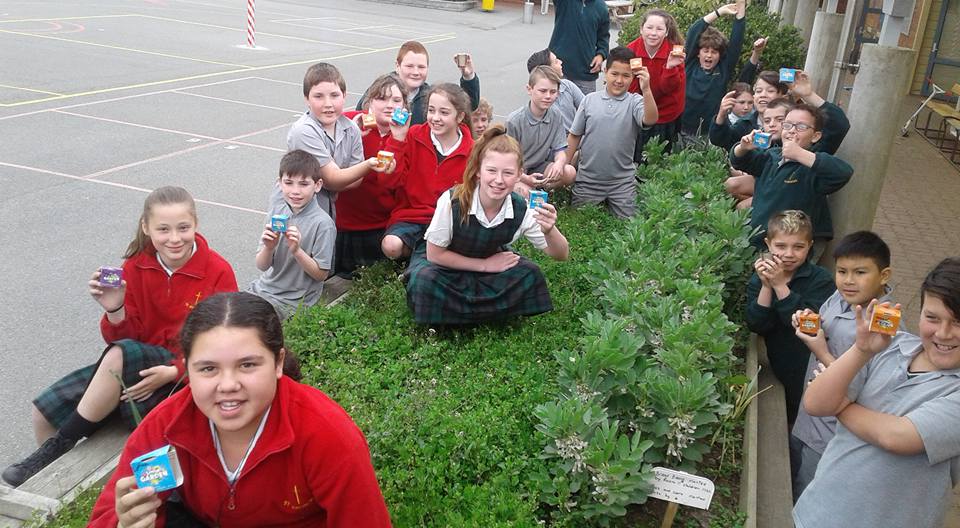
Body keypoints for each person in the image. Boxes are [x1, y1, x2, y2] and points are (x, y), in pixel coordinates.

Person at [87, 292, 392, 527]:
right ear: (187, 371)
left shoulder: (326, 434)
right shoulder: (167, 426)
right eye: (208, 368)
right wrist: (124, 521)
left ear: (278, 363)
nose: (228, 384)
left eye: (247, 365)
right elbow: (105, 516)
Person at [2, 187, 238, 487]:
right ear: (146, 227)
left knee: (120, 354)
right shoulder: (135, 266)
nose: (174, 238)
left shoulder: (216, 270)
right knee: (43, 411)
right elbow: (126, 336)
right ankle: (56, 481)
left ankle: (62, 444)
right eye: (163, 229)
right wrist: (115, 308)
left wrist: (176, 370)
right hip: (135, 359)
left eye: (183, 228)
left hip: (186, 370)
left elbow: (224, 340)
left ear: (196, 225)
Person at [794, 257, 960, 528]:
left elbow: (895, 436)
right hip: (819, 513)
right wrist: (862, 350)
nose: (943, 333)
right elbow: (816, 403)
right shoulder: (890, 347)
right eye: (932, 317)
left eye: (957, 322)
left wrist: (843, 406)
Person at [405, 126, 569, 325]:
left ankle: (459, 313)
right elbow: (435, 255)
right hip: (445, 264)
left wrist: (550, 231)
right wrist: (485, 266)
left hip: (491, 258)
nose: (498, 180)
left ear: (519, 175)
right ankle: (491, 312)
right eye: (491, 171)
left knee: (530, 273)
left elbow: (561, 255)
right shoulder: (451, 201)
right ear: (478, 172)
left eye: (508, 173)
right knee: (424, 281)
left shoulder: (521, 208)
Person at [789, 231, 894, 500]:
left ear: (884, 275)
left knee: (808, 497)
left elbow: (855, 394)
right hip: (806, 420)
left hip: (831, 437)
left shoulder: (883, 327)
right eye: (842, 271)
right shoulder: (840, 297)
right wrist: (810, 322)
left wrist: (821, 350)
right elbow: (825, 327)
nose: (848, 281)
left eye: (860, 272)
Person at [731, 103, 854, 260]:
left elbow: (843, 172)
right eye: (787, 125)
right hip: (762, 239)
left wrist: (799, 154)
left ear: (815, 136)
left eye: (801, 126)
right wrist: (742, 147)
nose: (792, 130)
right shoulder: (772, 156)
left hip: (791, 247)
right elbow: (740, 161)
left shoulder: (812, 165)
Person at [745, 210, 834, 426]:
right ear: (768, 244)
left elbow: (808, 325)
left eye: (798, 247)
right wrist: (767, 286)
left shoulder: (820, 279)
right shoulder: (759, 280)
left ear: (810, 245)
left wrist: (779, 285)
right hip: (781, 362)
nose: (789, 254)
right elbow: (757, 324)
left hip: (809, 363)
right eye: (781, 246)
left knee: (811, 416)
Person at [379, 83, 475, 260]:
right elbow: (388, 183)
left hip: (449, 220)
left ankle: (426, 258)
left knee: (461, 245)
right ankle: (418, 255)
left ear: (460, 116)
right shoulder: (414, 135)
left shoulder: (472, 150)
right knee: (391, 246)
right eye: (431, 110)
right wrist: (398, 139)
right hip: (413, 217)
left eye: (444, 112)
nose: (435, 118)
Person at [566, 46, 659, 219]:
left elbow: (651, 119)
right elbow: (574, 135)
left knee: (629, 226)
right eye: (614, 74)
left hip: (622, 183)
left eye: (626, 75)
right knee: (578, 221)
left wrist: (646, 89)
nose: (619, 80)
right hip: (588, 180)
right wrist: (566, 164)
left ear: (633, 77)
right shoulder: (589, 100)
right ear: (605, 71)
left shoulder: (635, 101)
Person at [285, 62, 385, 221]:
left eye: (334, 95)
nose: (328, 104)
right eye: (318, 96)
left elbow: (355, 181)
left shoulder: (351, 128)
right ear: (306, 99)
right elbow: (332, 179)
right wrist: (368, 165)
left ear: (344, 95)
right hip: (297, 214)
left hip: (327, 212)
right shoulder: (304, 131)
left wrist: (339, 179)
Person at [336, 75, 409, 277]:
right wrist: (350, 130)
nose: (389, 105)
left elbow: (390, 183)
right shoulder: (351, 120)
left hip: (379, 229)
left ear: (404, 106)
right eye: (382, 98)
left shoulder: (407, 136)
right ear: (369, 101)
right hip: (343, 226)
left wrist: (398, 139)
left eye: (396, 100)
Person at [249, 150, 336, 319]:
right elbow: (262, 266)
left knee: (250, 324)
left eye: (303, 184)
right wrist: (268, 248)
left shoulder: (323, 224)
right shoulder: (277, 211)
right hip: (263, 289)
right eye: (288, 183)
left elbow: (321, 275)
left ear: (317, 185)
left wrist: (297, 251)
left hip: (294, 301)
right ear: (279, 183)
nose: (295, 191)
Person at [355, 41, 480, 125]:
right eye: (409, 66)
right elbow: (360, 114)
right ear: (397, 66)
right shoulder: (380, 90)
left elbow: (468, 105)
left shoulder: (429, 96)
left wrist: (468, 76)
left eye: (421, 67)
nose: (416, 72)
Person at [680, 0, 747, 138]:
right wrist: (719, 12)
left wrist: (741, 10)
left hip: (709, 133)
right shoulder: (689, 65)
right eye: (706, 50)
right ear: (698, 52)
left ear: (720, 55)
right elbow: (694, 31)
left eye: (714, 52)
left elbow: (736, 41)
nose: (709, 55)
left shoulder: (723, 69)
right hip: (682, 130)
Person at [507, 66, 576, 197]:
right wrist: (524, 178)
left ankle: (540, 189)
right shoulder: (514, 121)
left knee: (569, 172)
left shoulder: (556, 115)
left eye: (553, 92)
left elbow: (560, 150)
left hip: (540, 166)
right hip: (516, 171)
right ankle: (529, 191)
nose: (548, 96)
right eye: (543, 91)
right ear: (529, 89)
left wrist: (559, 164)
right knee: (524, 192)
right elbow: (507, 161)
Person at [625, 8, 686, 156]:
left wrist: (670, 67)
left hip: (667, 111)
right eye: (649, 27)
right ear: (641, 29)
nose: (653, 33)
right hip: (640, 109)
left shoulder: (675, 52)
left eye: (659, 29)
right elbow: (630, 88)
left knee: (663, 155)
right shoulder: (631, 51)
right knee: (637, 153)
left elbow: (670, 89)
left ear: (666, 32)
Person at [710, 69, 788, 151]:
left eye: (770, 91)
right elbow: (719, 141)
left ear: (783, 97)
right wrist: (721, 115)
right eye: (759, 91)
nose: (763, 95)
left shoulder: (792, 124)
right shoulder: (744, 125)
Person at [548, 0, 610, 95]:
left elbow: (603, 37)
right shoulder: (564, 2)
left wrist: (601, 55)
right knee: (554, 106)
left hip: (586, 70)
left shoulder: (601, 7)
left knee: (585, 107)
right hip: (558, 68)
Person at [526, 48, 584, 133]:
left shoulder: (567, 86)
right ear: (547, 70)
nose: (561, 62)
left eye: (553, 92)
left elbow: (587, 108)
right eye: (556, 61)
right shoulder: (537, 107)